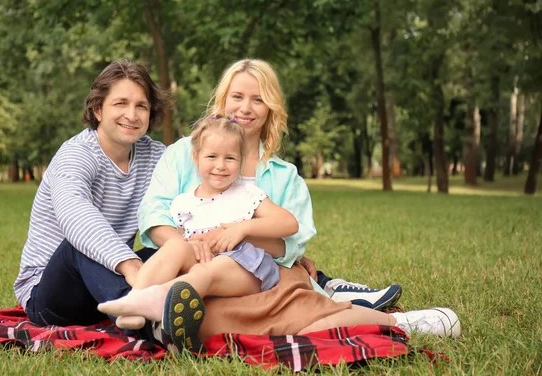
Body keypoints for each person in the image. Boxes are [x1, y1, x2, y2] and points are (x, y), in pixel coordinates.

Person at [102, 59, 460, 352]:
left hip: (263, 276)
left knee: (311, 318)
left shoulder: (283, 176)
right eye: (237, 97)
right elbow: (155, 214)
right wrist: (189, 245)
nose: (245, 108)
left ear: (271, 107)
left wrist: (233, 235)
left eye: (257, 99)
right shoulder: (184, 152)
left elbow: (288, 244)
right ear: (222, 100)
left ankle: (402, 322)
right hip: (188, 269)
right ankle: (155, 311)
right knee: (201, 309)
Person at [98, 115, 300, 351]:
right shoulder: (184, 202)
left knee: (208, 269)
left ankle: (159, 298)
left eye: (230, 158)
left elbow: (289, 223)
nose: (221, 165)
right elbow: (182, 243)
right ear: (196, 157)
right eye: (212, 156)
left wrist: (243, 227)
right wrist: (187, 246)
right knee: (174, 246)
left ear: (241, 160)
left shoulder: (248, 194)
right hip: (201, 263)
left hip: (245, 267)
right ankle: (135, 299)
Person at [13, 60, 168, 329]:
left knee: (175, 248)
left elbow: (196, 183)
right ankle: (149, 323)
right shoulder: (76, 155)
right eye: (120, 104)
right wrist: (130, 265)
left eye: (141, 106)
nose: (131, 115)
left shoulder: (155, 156)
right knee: (78, 244)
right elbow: (76, 216)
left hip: (105, 283)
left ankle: (190, 308)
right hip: (50, 295)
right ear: (97, 109)